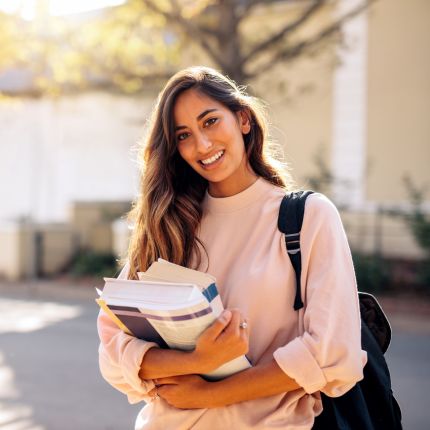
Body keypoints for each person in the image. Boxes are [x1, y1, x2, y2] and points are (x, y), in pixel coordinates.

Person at [97, 66, 367, 429]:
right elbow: (114, 353)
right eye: (183, 135)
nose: (202, 145)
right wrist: (198, 360)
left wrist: (208, 394)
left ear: (242, 119)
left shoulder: (307, 217)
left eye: (210, 122)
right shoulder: (169, 225)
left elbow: (333, 355)